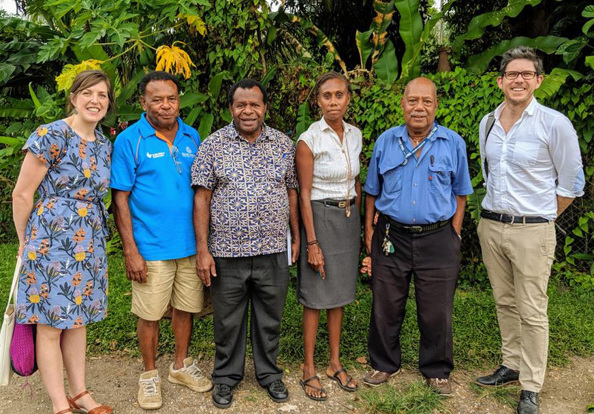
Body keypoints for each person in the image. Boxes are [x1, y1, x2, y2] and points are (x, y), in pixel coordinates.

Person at [475, 46, 584, 414]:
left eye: (526, 74)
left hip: (533, 230)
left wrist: (541, 217)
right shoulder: (487, 122)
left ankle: (531, 385)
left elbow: (572, 183)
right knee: (504, 301)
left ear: (538, 80)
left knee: (533, 309)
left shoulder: (554, 123)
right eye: (511, 74)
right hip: (491, 225)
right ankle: (511, 363)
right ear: (500, 81)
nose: (518, 80)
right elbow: (489, 174)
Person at [192, 79, 299, 409]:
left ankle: (269, 374)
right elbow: (201, 199)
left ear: (265, 108)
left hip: (272, 249)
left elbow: (292, 192)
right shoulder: (213, 145)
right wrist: (203, 249)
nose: (248, 110)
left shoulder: (283, 144)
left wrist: (295, 238)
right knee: (227, 320)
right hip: (227, 251)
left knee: (271, 317)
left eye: (255, 104)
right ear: (231, 109)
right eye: (241, 104)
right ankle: (225, 378)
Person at [362, 77, 473, 395]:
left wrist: (454, 233)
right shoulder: (385, 141)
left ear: (436, 105)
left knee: (436, 308)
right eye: (413, 100)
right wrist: (370, 230)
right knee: (386, 304)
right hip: (390, 236)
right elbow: (372, 191)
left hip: (438, 237)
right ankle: (383, 364)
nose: (419, 107)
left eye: (426, 101)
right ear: (402, 104)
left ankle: (437, 370)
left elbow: (461, 193)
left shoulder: (453, 143)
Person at [12, 70, 114, 414]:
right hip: (50, 242)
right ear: (73, 97)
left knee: (78, 320)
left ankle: (80, 392)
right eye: (87, 93)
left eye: (102, 95)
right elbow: (23, 194)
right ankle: (60, 403)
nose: (94, 101)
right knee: (52, 323)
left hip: (89, 243)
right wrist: (25, 241)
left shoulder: (104, 144)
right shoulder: (51, 135)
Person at [111, 71, 211, 410]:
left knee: (185, 308)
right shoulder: (130, 140)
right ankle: (150, 375)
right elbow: (120, 198)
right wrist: (130, 250)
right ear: (143, 103)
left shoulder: (191, 136)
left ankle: (180, 365)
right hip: (150, 247)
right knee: (150, 314)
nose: (166, 105)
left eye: (171, 98)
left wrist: (203, 246)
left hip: (189, 244)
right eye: (157, 99)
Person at [295, 72, 361, 401]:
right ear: (317, 101)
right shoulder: (309, 140)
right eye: (326, 96)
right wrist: (311, 242)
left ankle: (334, 362)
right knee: (316, 295)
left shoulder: (355, 135)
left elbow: (356, 182)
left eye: (339, 95)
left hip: (348, 218)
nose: (333, 102)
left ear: (348, 98)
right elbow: (303, 194)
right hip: (319, 218)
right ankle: (309, 367)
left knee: (339, 294)